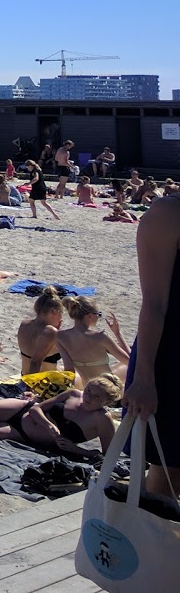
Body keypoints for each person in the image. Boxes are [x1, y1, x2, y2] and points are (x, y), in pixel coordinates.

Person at [127, 178, 179, 496]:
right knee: (170, 470)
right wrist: (145, 377)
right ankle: (152, 544)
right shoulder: (167, 215)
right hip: (172, 357)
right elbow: (155, 303)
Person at [0, 375, 123, 458]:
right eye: (88, 391)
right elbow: (36, 409)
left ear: (107, 402)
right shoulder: (73, 394)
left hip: (21, 433)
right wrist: (48, 425)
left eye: (96, 397)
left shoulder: (102, 420)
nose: (88, 397)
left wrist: (76, 449)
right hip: (21, 409)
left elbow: (108, 456)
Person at [56, 296, 130, 387]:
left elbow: (69, 370)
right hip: (108, 388)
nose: (99, 317)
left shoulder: (60, 336)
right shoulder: (100, 337)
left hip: (87, 389)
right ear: (90, 316)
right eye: (98, 314)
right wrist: (118, 333)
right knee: (129, 365)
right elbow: (128, 361)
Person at [18, 291, 65, 375]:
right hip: (43, 382)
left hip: (24, 374)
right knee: (84, 376)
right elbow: (35, 362)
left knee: (62, 368)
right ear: (54, 312)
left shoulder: (24, 324)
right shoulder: (50, 332)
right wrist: (30, 386)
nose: (61, 318)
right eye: (61, 313)